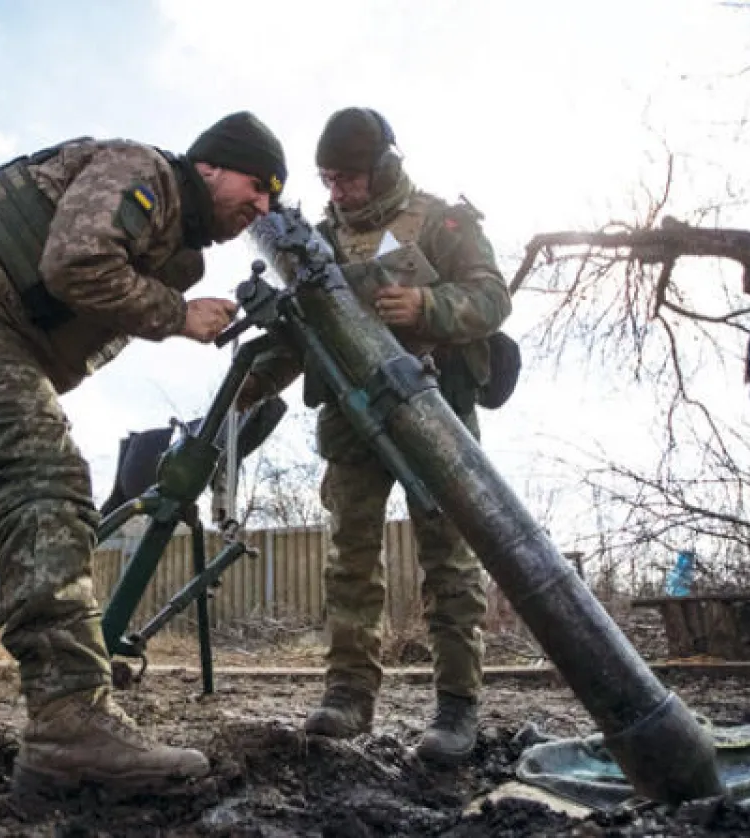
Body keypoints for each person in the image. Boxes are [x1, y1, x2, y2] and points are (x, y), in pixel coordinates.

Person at [0, 112, 287, 797]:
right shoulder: (144, 171)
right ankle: (69, 721)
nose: (262, 207)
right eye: (258, 185)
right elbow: (74, 263)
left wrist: (179, 306)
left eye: (273, 200)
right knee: (49, 487)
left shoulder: (168, 234)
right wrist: (176, 315)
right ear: (212, 165)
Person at [237, 107, 510, 766]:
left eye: (350, 178)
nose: (339, 191)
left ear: (383, 166)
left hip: (437, 406)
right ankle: (348, 694)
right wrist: (245, 382)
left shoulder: (443, 221)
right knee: (349, 557)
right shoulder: (315, 239)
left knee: (448, 556)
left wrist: (428, 307)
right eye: (328, 179)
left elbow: (493, 297)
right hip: (351, 416)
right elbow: (296, 332)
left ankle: (456, 706)